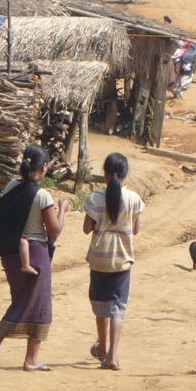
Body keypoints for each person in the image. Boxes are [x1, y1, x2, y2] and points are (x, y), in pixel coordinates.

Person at [0, 145, 68, 372]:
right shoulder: (41, 195)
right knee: (38, 305)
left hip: (12, 255)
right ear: (45, 168)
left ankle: (18, 354)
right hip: (36, 253)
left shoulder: (12, 186)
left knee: (21, 300)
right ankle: (4, 347)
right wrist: (63, 210)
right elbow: (55, 230)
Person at [83, 152, 144, 371]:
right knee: (117, 307)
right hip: (122, 259)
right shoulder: (134, 199)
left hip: (100, 259)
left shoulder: (94, 198)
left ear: (105, 175)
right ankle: (112, 356)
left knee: (101, 307)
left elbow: (86, 229)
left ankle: (102, 347)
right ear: (125, 174)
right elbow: (136, 230)